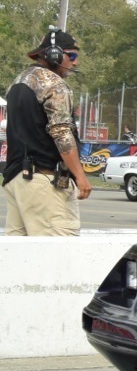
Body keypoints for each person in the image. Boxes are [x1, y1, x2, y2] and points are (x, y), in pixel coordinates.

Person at [1, 28, 92, 236]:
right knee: (58, 256)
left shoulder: (17, 82)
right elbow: (61, 133)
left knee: (21, 258)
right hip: (43, 181)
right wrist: (80, 176)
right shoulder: (54, 84)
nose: (75, 62)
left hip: (17, 179)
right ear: (55, 55)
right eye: (72, 56)